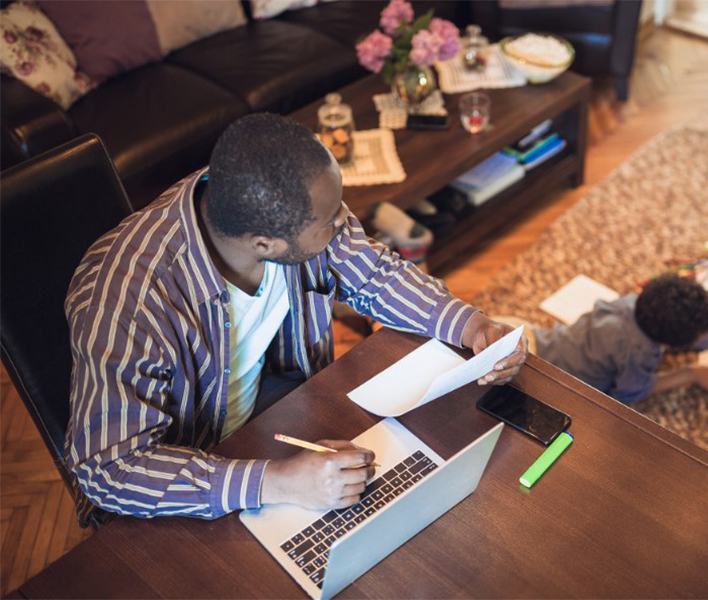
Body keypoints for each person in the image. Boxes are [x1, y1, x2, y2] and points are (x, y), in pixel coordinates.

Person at [65, 113, 526, 525]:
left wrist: (471, 326)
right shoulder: (128, 298)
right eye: (328, 221)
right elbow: (109, 469)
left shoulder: (265, 202)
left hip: (281, 413)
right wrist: (280, 482)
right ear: (264, 244)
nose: (343, 222)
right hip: (193, 475)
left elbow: (376, 276)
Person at [501, 274, 708, 404]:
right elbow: (631, 392)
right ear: (671, 344)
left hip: (542, 339)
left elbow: (674, 328)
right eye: (699, 336)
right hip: (548, 379)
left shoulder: (633, 304)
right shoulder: (638, 352)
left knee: (506, 327)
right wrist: (691, 374)